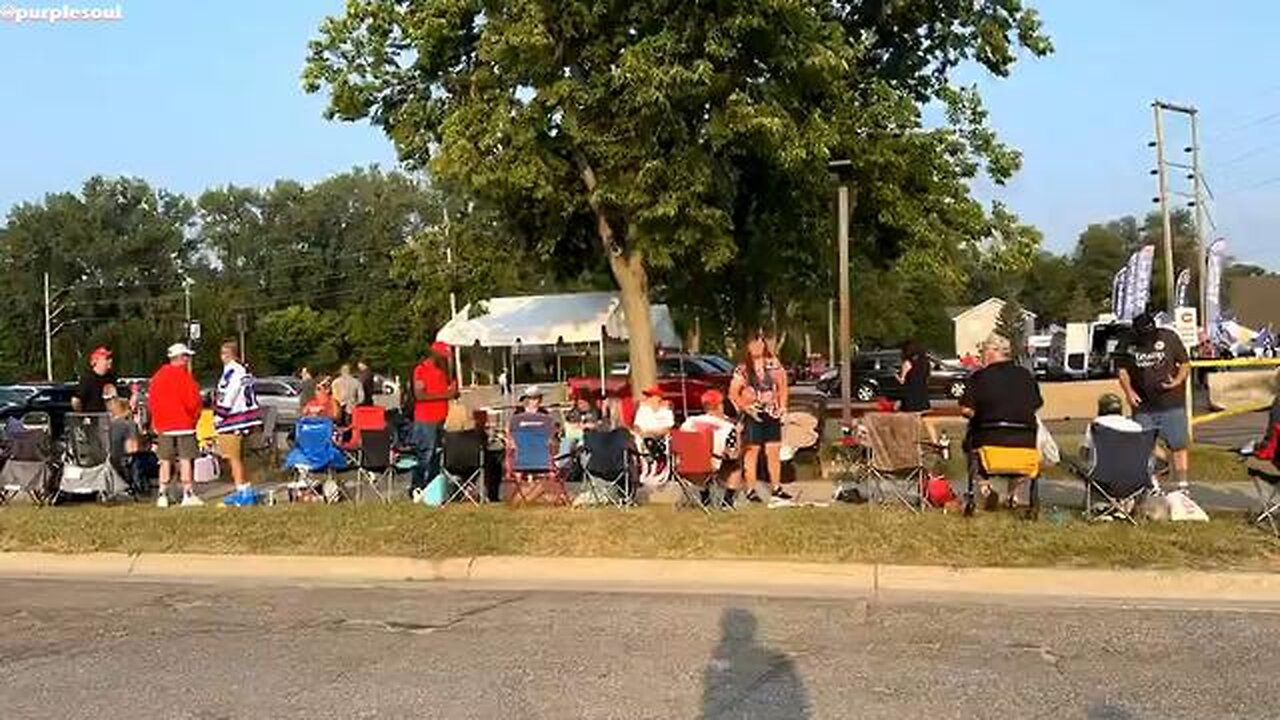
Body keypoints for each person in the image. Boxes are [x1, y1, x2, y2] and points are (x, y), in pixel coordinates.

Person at [960, 333, 1043, 508]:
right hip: (1025, 444)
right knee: (1019, 439)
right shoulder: (1026, 376)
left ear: (992, 352)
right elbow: (1036, 405)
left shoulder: (978, 378)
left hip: (988, 443)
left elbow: (966, 410)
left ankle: (985, 489)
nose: (980, 355)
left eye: (982, 351)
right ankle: (1013, 495)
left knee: (968, 441)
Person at [1116, 311, 1191, 490]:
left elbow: (1185, 363)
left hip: (1171, 403)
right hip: (1143, 405)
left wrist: (1178, 381)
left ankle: (1182, 485)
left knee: (1178, 444)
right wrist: (1129, 392)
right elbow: (1122, 370)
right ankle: (1154, 482)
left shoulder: (1169, 337)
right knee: (1144, 445)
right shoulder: (1127, 342)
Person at [729, 332, 791, 503]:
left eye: (760, 343)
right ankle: (751, 489)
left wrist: (783, 406)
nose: (757, 347)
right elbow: (733, 393)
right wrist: (745, 407)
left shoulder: (774, 364)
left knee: (773, 450)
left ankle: (776, 487)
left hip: (771, 412)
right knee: (752, 451)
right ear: (748, 347)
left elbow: (783, 386)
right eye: (753, 343)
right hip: (753, 413)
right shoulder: (742, 369)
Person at [147, 343, 203, 508]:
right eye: (186, 356)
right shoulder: (185, 377)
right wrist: (194, 417)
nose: (188, 360)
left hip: (164, 425)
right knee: (186, 459)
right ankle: (188, 493)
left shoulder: (158, 377)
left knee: (165, 460)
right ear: (181, 358)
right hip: (184, 423)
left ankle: (162, 494)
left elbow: (152, 402)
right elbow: (193, 401)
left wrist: (156, 421)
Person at [214, 340, 263, 505]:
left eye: (223, 353)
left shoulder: (232, 371)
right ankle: (245, 488)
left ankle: (242, 491)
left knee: (233, 457)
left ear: (228, 354)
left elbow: (229, 394)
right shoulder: (244, 371)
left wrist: (220, 415)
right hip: (245, 418)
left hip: (233, 419)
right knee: (239, 458)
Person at [410, 340, 459, 500]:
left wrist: (452, 390)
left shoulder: (444, 371)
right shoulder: (421, 370)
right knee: (426, 454)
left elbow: (449, 391)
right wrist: (446, 395)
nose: (446, 359)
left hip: (442, 418)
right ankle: (417, 487)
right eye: (444, 357)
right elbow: (420, 394)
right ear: (435, 355)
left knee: (438, 455)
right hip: (426, 419)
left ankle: (432, 487)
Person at [681, 389, 742, 508]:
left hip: (684, 468)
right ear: (720, 406)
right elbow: (733, 453)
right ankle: (727, 501)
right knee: (735, 464)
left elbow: (679, 446)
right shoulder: (727, 427)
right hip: (709, 466)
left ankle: (705, 496)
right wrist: (738, 434)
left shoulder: (689, 421)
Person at [1079, 392, 1147, 476]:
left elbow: (1084, 452)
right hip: (1135, 479)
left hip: (1103, 478)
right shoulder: (1136, 426)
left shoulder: (1096, 425)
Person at [633, 384, 675, 486]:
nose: (647, 398)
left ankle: (657, 468)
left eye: (650, 396)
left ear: (657, 397)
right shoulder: (643, 409)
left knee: (651, 440)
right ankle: (646, 468)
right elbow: (637, 426)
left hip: (660, 437)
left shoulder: (666, 410)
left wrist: (654, 433)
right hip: (644, 437)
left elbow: (668, 428)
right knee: (639, 440)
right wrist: (643, 433)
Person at [72, 346, 121, 413]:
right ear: (96, 360)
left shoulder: (111, 379)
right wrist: (82, 415)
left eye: (110, 358)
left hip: (108, 419)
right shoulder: (88, 379)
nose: (110, 361)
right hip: (93, 419)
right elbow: (76, 400)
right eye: (106, 359)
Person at [106, 397, 142, 489]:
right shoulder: (129, 425)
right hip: (120, 462)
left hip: (105, 461)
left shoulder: (106, 424)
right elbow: (132, 448)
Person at [896, 341, 931, 413]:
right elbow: (927, 377)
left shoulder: (907, 363)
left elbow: (902, 381)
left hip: (910, 399)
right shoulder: (926, 362)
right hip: (923, 399)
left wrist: (896, 375)